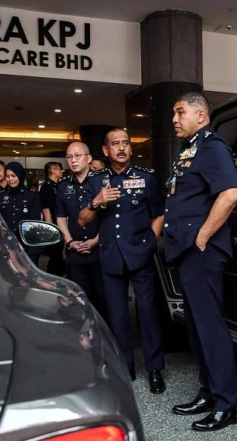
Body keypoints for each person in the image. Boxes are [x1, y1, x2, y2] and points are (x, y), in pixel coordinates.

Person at [164, 92, 237, 431]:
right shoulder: (191, 149)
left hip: (202, 252)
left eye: (180, 111)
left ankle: (228, 404)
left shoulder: (212, 147)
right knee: (196, 328)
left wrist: (202, 237)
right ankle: (208, 393)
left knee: (210, 328)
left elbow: (230, 194)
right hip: (187, 252)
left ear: (201, 114)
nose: (174, 119)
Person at [79, 128, 166, 394]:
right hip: (110, 256)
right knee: (117, 315)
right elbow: (83, 219)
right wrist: (96, 202)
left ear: (130, 148)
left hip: (140, 254)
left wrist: (150, 242)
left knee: (148, 312)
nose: (121, 148)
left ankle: (155, 369)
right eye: (115, 144)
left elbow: (159, 214)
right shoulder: (96, 182)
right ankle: (125, 366)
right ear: (105, 151)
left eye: (125, 143)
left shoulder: (145, 178)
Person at [55, 142, 108, 321]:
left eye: (77, 156)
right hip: (75, 250)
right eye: (69, 157)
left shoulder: (102, 181)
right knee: (79, 299)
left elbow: (110, 217)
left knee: (104, 299)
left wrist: (96, 241)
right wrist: (69, 242)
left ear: (89, 158)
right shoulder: (62, 185)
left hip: (100, 250)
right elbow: (61, 218)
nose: (73, 160)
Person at [0, 162, 42, 264]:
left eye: (13, 176)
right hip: (7, 247)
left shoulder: (32, 196)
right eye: (7, 176)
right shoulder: (0, 197)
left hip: (28, 247)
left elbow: (35, 223)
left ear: (20, 175)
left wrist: (32, 249)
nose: (10, 179)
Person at [40, 161, 66, 277]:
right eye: (60, 169)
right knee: (55, 258)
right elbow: (46, 210)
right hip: (55, 226)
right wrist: (51, 230)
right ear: (53, 171)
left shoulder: (59, 186)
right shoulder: (46, 187)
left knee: (62, 257)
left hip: (62, 224)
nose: (62, 172)